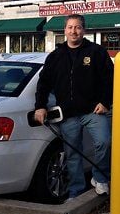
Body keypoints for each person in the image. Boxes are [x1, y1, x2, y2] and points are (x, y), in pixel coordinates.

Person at [34, 14, 114, 199]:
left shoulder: (97, 52)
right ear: (65, 31)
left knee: (104, 142)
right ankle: (76, 190)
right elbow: (43, 83)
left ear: (83, 30)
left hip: (92, 111)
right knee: (73, 154)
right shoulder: (55, 56)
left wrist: (105, 102)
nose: (74, 31)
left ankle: (99, 178)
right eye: (70, 27)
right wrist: (40, 106)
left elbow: (109, 80)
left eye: (77, 27)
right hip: (68, 114)